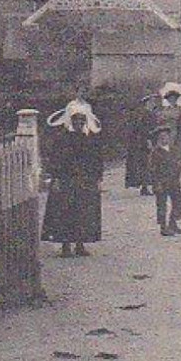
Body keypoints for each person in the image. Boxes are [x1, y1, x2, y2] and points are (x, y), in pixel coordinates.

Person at [41, 100, 104, 258]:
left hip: (85, 180)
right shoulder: (62, 139)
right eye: (76, 120)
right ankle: (65, 245)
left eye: (82, 120)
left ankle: (80, 244)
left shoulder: (90, 139)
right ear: (70, 120)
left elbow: (96, 159)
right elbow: (56, 159)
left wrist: (97, 179)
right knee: (65, 212)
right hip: (67, 180)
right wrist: (55, 178)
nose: (79, 123)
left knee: (83, 212)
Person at [147, 123, 181, 236]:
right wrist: (156, 183)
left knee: (178, 202)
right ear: (158, 139)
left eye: (167, 136)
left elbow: (179, 162)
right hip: (161, 183)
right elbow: (152, 169)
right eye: (162, 137)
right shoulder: (155, 152)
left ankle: (173, 223)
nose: (165, 139)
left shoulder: (174, 150)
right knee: (162, 205)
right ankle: (163, 227)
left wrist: (179, 169)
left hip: (174, 181)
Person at [124, 94, 160, 194]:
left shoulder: (152, 113)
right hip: (144, 142)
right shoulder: (144, 114)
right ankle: (145, 187)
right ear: (147, 103)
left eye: (154, 101)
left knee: (150, 164)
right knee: (146, 164)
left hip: (151, 140)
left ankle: (149, 186)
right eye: (151, 101)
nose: (153, 103)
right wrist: (148, 140)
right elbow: (142, 129)